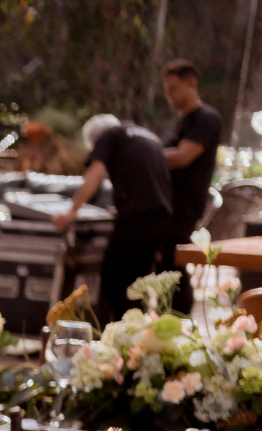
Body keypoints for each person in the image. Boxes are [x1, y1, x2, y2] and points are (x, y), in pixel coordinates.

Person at [55, 113, 177, 322]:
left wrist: (71, 211)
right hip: (162, 216)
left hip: (138, 218)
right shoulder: (147, 136)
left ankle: (117, 335)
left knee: (114, 279)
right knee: (139, 282)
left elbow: (95, 173)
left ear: (94, 141)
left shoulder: (109, 136)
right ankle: (136, 336)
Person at [160, 57, 221, 313]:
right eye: (166, 89)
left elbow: (183, 156)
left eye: (173, 88)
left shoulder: (205, 119)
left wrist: (145, 155)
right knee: (164, 263)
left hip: (183, 206)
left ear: (191, 84)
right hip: (165, 203)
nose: (168, 95)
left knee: (174, 262)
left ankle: (182, 318)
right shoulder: (179, 120)